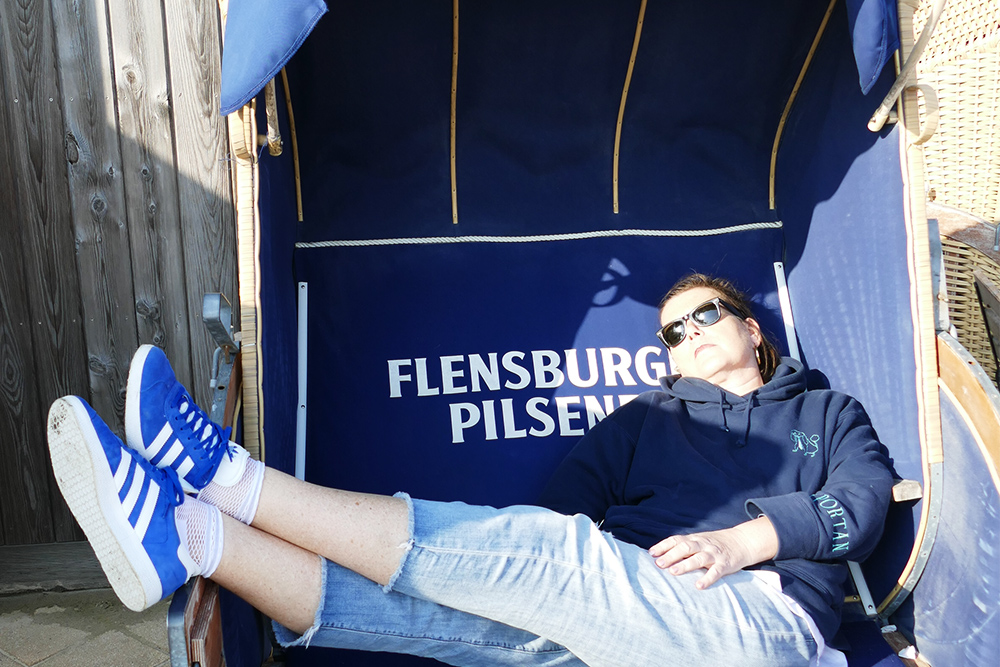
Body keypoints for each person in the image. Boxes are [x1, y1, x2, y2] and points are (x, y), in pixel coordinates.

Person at [46, 273, 893, 667]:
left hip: (759, 630)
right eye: (671, 332)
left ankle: (227, 477)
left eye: (709, 315)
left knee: (569, 562)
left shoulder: (826, 412)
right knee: (475, 611)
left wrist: (747, 541)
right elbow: (566, 508)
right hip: (627, 617)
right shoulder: (647, 418)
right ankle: (191, 538)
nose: (691, 333)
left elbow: (863, 504)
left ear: (753, 330)